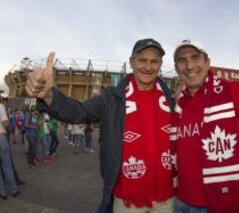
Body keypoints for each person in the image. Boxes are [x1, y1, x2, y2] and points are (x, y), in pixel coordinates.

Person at [26, 38, 175, 213]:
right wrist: (49, 95)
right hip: (126, 201)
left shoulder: (172, 98)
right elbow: (78, 111)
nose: (148, 67)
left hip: (167, 199)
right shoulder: (111, 99)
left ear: (160, 64)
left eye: (154, 61)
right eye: (142, 60)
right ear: (132, 62)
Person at [171, 39, 239, 213]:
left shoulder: (232, 90)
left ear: (207, 62)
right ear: (177, 69)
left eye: (195, 57)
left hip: (220, 204)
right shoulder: (179, 105)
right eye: (182, 60)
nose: (189, 65)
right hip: (180, 202)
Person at [0, 96, 20, 199]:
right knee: (7, 165)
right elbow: (5, 123)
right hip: (1, 138)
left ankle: (2, 192)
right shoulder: (1, 107)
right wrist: (7, 123)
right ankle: (13, 190)